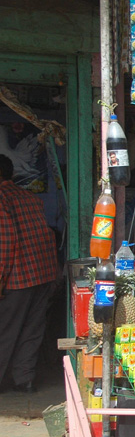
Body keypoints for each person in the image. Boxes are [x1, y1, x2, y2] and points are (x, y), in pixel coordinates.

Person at [0, 154, 58, 393]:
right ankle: (25, 379)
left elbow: (5, 243)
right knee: (32, 329)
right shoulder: (28, 197)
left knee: (6, 330)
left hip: (17, 278)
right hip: (42, 273)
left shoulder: (1, 198)